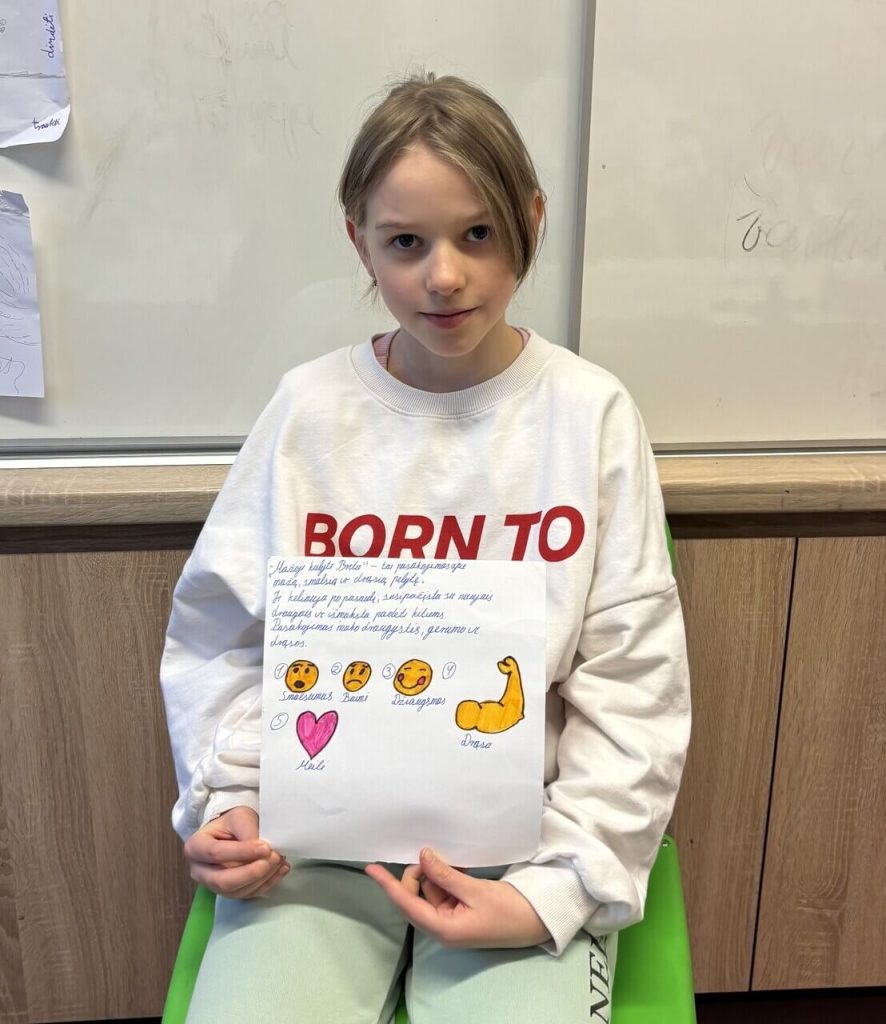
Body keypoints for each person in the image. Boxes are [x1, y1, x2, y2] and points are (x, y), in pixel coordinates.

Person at [160, 71, 691, 1024]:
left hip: (519, 851)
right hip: (312, 852)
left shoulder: (589, 416)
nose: (443, 275)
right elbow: (225, 638)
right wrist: (229, 801)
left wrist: (558, 886)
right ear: (358, 240)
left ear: (530, 221)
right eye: (405, 242)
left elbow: (633, 681)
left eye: (477, 233)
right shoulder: (310, 413)